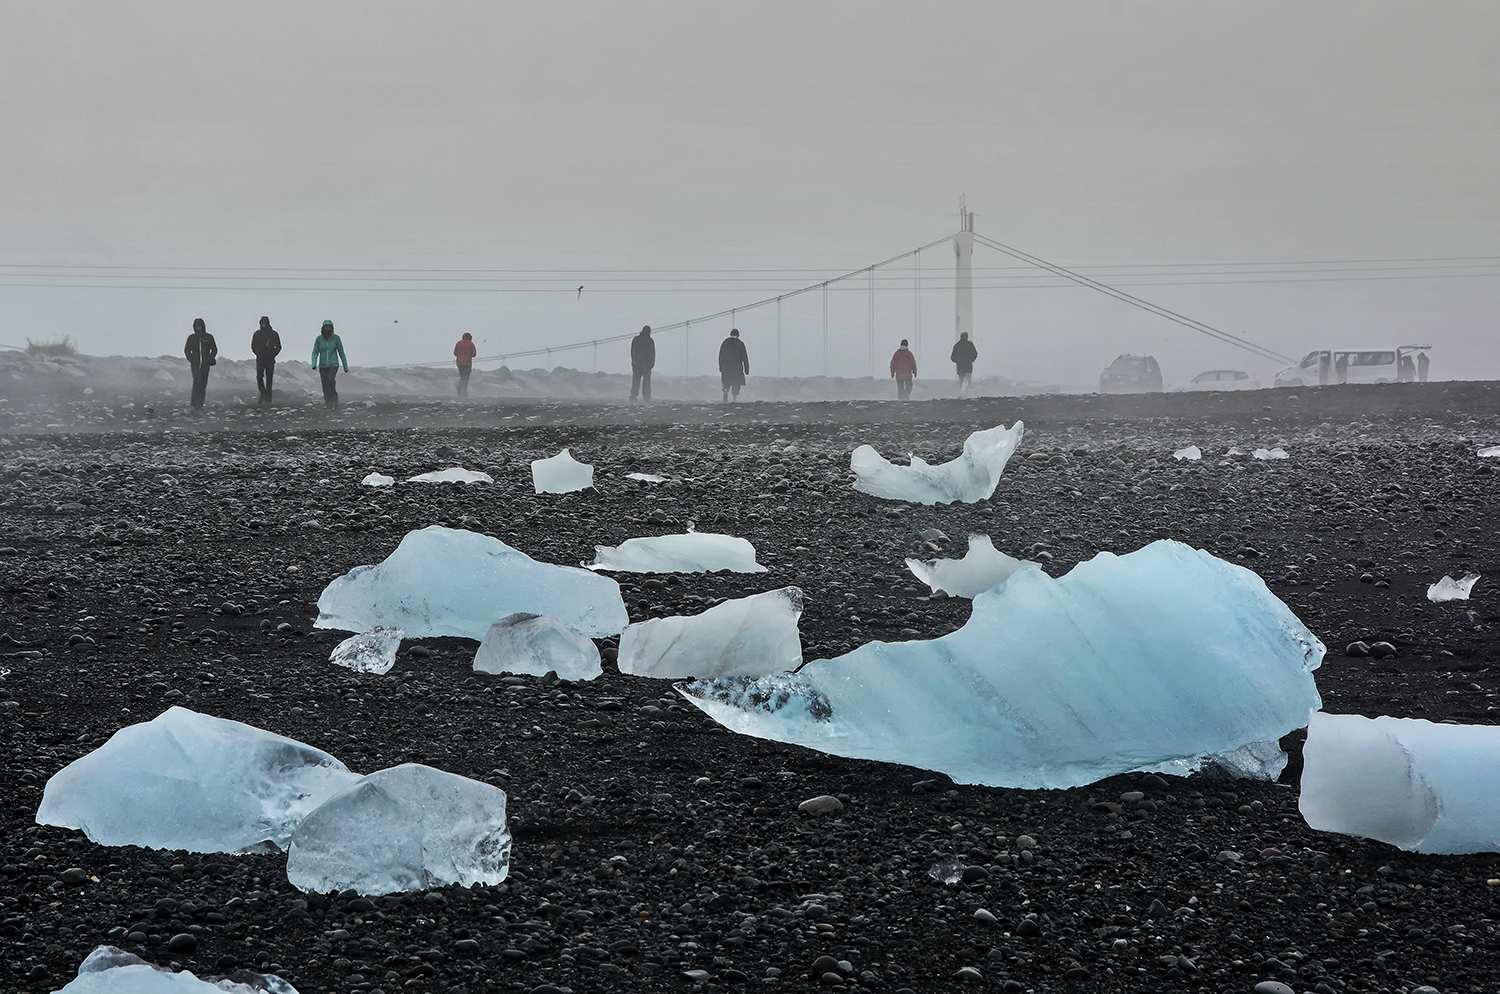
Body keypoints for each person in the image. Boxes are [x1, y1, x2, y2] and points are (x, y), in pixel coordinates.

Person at [310, 319, 349, 409]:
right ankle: (328, 403)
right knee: (324, 384)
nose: (328, 329)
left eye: (329, 327)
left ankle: (335, 399)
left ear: (332, 328)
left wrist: (345, 366)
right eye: (326, 327)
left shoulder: (336, 338)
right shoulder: (319, 339)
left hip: (333, 364)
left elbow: (341, 352)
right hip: (323, 365)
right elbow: (315, 352)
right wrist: (314, 363)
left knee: (330, 380)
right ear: (323, 328)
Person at [183, 317, 218, 410]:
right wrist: (191, 359)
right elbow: (187, 350)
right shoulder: (191, 338)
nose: (198, 328)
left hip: (205, 364)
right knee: (197, 381)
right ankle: (194, 403)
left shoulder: (209, 337)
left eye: (199, 326)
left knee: (203, 383)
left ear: (203, 327)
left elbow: (214, 349)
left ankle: (200, 403)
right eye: (196, 326)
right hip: (195, 364)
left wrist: (210, 358)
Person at [250, 316, 281, 404]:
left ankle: (268, 398)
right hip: (260, 359)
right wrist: (258, 353)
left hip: (270, 359)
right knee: (259, 376)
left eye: (265, 322)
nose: (264, 324)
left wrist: (273, 355)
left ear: (268, 323)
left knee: (269, 379)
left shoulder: (274, 334)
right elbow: (253, 346)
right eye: (262, 322)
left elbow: (278, 347)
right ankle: (263, 392)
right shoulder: (257, 334)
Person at [718, 328, 750, 402]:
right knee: (736, 383)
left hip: (726, 367)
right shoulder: (740, 344)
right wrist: (746, 369)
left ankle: (725, 393)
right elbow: (744, 357)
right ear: (738, 335)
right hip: (737, 368)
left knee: (726, 382)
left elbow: (721, 356)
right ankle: (734, 399)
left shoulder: (725, 343)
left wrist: (720, 367)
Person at [629, 325, 655, 402]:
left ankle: (633, 396)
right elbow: (652, 353)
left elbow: (632, 352)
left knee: (636, 382)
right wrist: (651, 364)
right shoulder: (650, 340)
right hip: (646, 365)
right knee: (646, 382)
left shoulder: (636, 339)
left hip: (637, 364)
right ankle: (647, 397)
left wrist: (633, 362)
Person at [950, 332, 977, 397]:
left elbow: (952, 357)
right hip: (968, 365)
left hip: (959, 366)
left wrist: (958, 361)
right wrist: (971, 359)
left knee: (961, 381)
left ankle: (962, 394)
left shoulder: (956, 345)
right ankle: (963, 394)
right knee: (967, 380)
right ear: (967, 336)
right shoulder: (970, 344)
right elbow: (975, 354)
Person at [454, 332, 477, 398]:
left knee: (462, 377)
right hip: (467, 363)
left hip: (459, 363)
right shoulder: (471, 344)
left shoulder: (458, 343)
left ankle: (461, 391)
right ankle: (463, 392)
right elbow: (474, 354)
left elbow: (455, 353)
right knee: (465, 378)